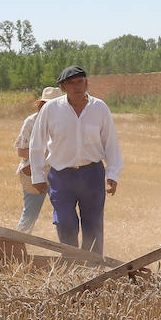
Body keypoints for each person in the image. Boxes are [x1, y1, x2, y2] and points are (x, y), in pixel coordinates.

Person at [28, 65, 122, 255]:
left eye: (80, 82)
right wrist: (37, 175)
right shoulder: (51, 109)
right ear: (63, 87)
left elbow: (110, 141)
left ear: (86, 83)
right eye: (71, 83)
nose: (77, 87)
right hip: (62, 176)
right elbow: (37, 141)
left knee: (93, 224)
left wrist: (113, 173)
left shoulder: (99, 108)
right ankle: (72, 262)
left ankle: (92, 267)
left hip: (92, 173)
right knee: (65, 222)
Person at [14, 86, 62, 233]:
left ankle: (67, 250)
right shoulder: (31, 121)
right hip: (33, 174)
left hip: (59, 174)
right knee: (29, 215)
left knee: (64, 215)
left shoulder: (66, 122)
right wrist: (43, 152)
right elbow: (21, 151)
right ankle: (15, 249)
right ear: (42, 104)